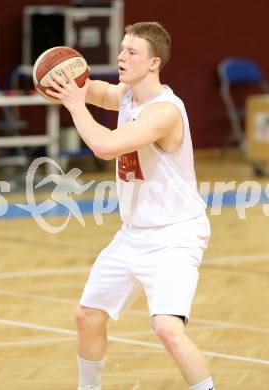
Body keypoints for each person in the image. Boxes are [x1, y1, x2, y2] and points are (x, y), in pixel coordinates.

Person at [46, 22, 215, 390]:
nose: (121, 57)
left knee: (168, 329)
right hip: (133, 234)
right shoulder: (127, 95)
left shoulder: (164, 111)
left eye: (131, 52)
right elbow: (97, 90)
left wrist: (75, 105)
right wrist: (62, 79)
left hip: (175, 235)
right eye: (121, 49)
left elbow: (106, 146)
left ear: (154, 63)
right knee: (88, 316)